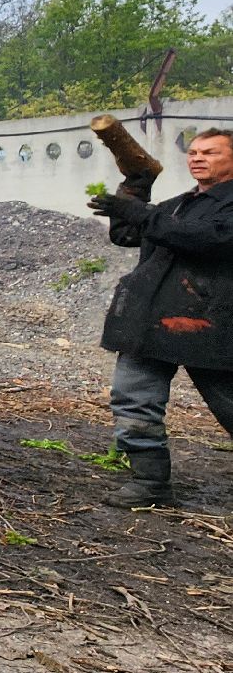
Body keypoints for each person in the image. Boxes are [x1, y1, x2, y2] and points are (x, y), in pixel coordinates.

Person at [87, 128, 233, 508]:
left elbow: (205, 239)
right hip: (151, 323)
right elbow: (126, 234)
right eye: (194, 152)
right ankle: (150, 483)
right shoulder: (179, 204)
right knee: (133, 399)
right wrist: (134, 188)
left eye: (211, 153)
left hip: (212, 325)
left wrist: (142, 213)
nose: (197, 158)